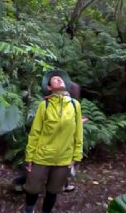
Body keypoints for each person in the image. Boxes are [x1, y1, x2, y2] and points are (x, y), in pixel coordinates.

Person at [23, 69, 83, 213]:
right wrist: (29, 156)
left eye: (60, 78)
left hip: (64, 158)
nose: (59, 80)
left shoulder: (75, 105)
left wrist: (76, 156)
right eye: (55, 79)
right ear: (49, 88)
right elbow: (35, 132)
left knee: (53, 190)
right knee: (33, 188)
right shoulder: (45, 105)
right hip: (42, 156)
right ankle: (28, 210)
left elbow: (78, 133)